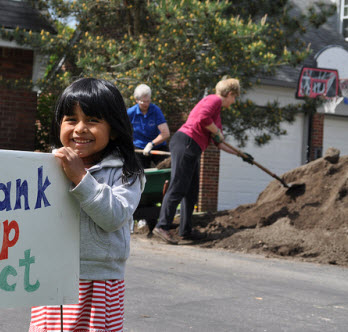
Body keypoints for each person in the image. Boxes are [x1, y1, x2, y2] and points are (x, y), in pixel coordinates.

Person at [29, 78, 144, 332]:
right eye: (71, 119)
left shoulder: (126, 173)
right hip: (53, 272)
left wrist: (81, 177)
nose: (80, 128)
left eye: (92, 120)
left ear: (113, 128)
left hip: (99, 279)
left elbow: (114, 216)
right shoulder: (49, 167)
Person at [153, 78, 253, 245]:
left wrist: (240, 154)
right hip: (186, 142)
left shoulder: (217, 113)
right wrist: (216, 131)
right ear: (229, 94)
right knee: (178, 186)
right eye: (234, 97)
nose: (234, 101)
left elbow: (219, 143)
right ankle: (162, 226)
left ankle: (185, 230)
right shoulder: (213, 99)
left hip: (192, 147)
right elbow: (202, 118)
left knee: (191, 192)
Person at [127, 84, 170, 168]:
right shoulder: (131, 112)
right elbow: (122, 129)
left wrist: (151, 144)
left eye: (148, 101)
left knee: (166, 169)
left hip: (158, 147)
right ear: (136, 100)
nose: (146, 104)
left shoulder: (156, 111)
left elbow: (165, 133)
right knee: (139, 174)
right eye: (143, 101)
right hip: (139, 148)